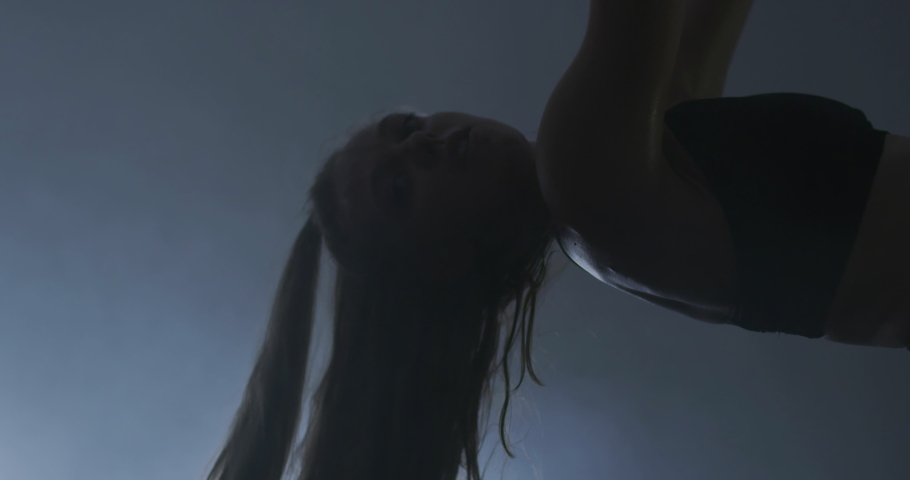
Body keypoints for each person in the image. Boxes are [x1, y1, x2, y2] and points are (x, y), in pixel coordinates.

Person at [206, 1, 910, 479]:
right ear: (440, 264)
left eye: (408, 127)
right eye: (399, 189)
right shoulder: (585, 183)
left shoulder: (634, 178)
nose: (424, 144)